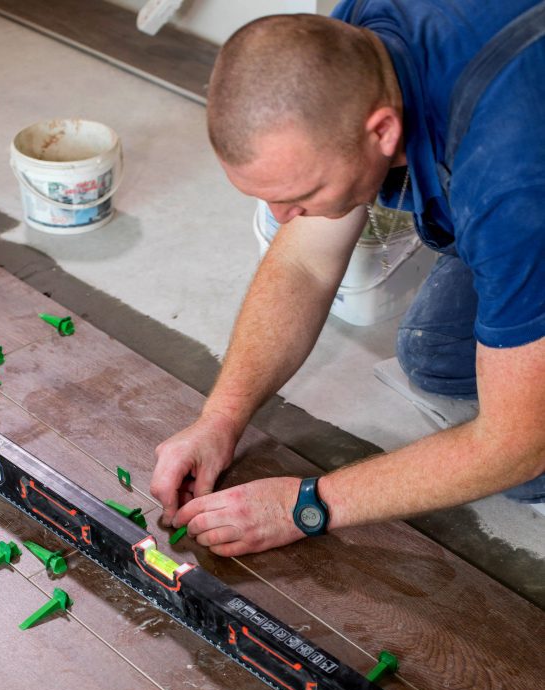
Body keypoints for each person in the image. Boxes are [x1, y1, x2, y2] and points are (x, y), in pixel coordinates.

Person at [150, 1, 545, 557]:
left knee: (527, 464)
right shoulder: (354, 39)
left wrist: (305, 505)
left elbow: (516, 446)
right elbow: (305, 262)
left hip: (523, 184)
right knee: (435, 353)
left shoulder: (512, 186)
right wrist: (220, 418)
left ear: (383, 130)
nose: (282, 217)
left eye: (302, 194)